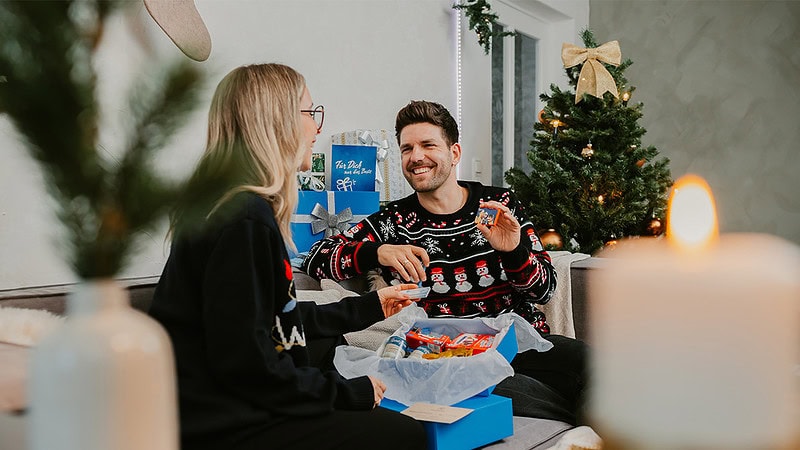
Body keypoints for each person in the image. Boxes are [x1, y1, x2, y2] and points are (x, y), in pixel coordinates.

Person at [149, 64, 428, 450]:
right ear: (276, 121)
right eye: (310, 113)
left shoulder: (236, 206)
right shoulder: (243, 220)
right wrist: (346, 392)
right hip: (220, 420)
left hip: (223, 402)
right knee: (408, 436)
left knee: (332, 359)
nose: (317, 128)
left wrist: (368, 308)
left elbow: (273, 319)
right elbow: (248, 365)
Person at [303, 100, 589, 425]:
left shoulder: (498, 204)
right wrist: (378, 252)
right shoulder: (394, 221)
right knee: (510, 390)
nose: (416, 157)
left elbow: (545, 290)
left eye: (428, 145)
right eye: (407, 148)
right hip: (448, 358)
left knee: (591, 362)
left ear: (454, 153)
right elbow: (316, 258)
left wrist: (513, 252)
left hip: (519, 343)